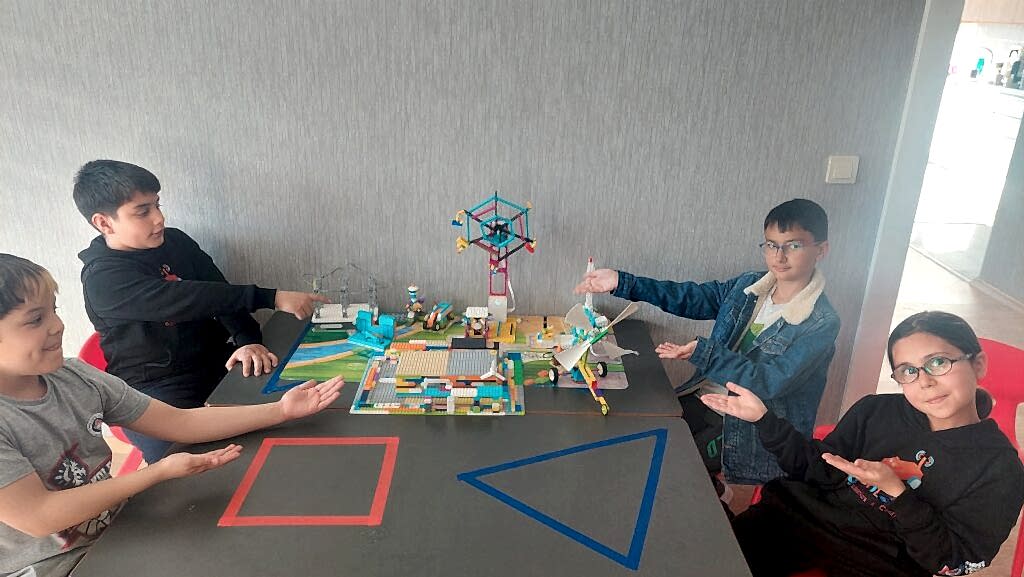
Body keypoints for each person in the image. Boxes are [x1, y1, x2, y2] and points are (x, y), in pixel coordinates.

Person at [0, 253, 344, 577]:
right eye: (35, 320)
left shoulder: (75, 376)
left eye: (54, 310)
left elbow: (180, 422)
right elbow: (40, 516)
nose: (58, 326)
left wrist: (280, 410)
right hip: (54, 566)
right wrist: (158, 472)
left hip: (118, 532)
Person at [702, 311, 1024, 576]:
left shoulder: (1001, 470)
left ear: (978, 364)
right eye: (908, 371)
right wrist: (764, 420)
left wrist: (898, 494)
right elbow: (818, 470)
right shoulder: (876, 410)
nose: (925, 381)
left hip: (877, 564)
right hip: (796, 521)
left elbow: (950, 561)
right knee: (701, 557)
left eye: (939, 362)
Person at [73, 160, 328, 463]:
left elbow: (219, 294)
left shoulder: (176, 241)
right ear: (104, 223)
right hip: (154, 389)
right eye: (142, 211)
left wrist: (247, 340)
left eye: (157, 205)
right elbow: (187, 298)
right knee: (194, 466)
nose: (159, 218)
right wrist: (271, 297)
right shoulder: (102, 279)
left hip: (216, 363)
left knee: (301, 421)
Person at [575, 199, 839, 486]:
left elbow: (768, 382)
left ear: (821, 250)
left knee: (663, 470)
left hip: (744, 429)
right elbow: (691, 298)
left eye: (794, 245)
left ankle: (719, 496)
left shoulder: (821, 323)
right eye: (771, 245)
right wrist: (622, 282)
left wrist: (705, 353)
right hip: (704, 398)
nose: (779, 256)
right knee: (632, 439)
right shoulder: (748, 286)